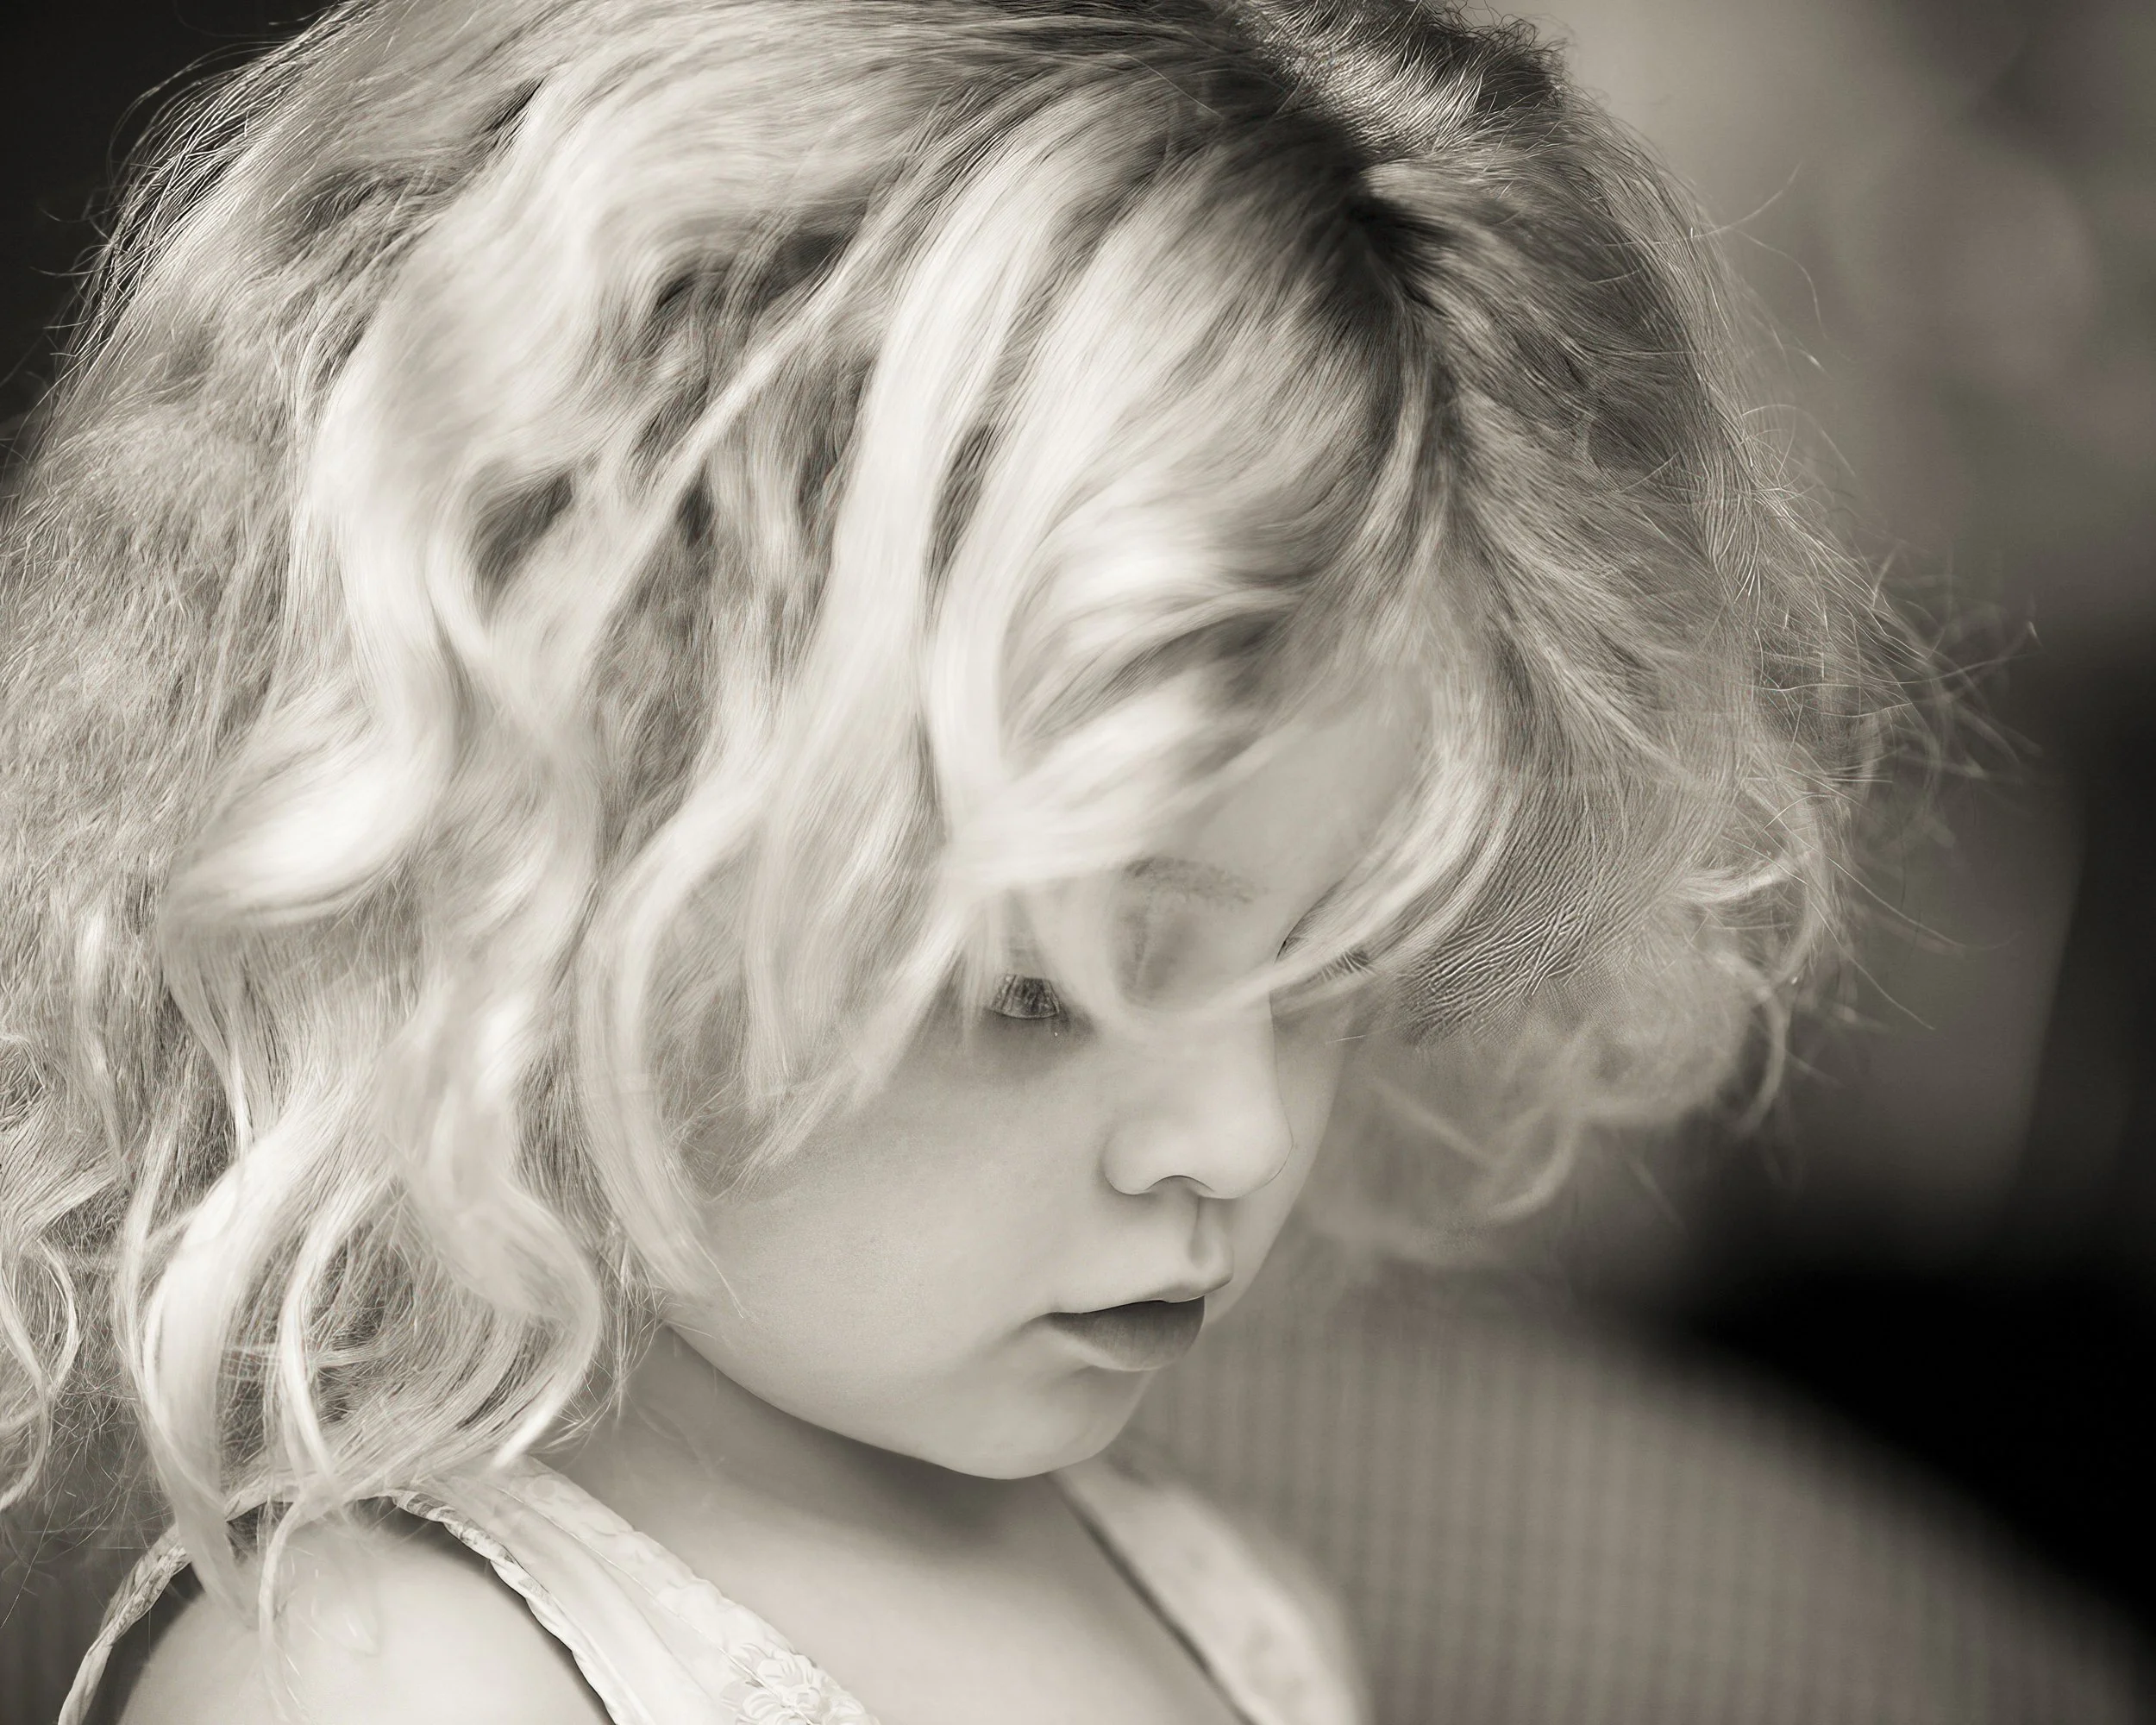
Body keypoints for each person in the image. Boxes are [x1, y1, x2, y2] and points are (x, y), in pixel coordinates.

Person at [0, 1, 1904, 1720]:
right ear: (538, 888)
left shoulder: (1201, 1595)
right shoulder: (394, 1674)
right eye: (1036, 988)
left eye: (1323, 971)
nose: (1232, 1141)